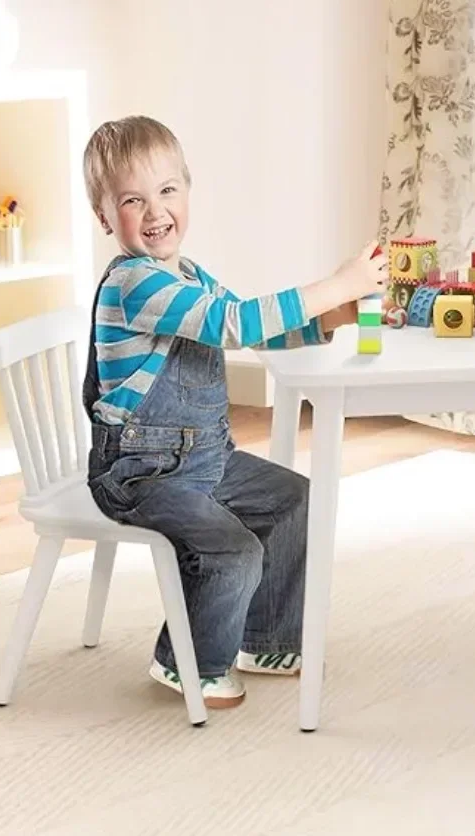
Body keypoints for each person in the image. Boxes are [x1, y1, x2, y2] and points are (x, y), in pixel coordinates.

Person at [81, 116, 386, 707]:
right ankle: (189, 661)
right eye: (132, 200)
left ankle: (265, 636)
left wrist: (333, 319)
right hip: (140, 474)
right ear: (104, 218)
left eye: (168, 191)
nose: (155, 211)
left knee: (296, 498)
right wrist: (335, 282)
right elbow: (234, 323)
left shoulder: (188, 276)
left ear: (188, 193)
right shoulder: (133, 285)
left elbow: (254, 333)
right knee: (233, 549)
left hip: (204, 459)